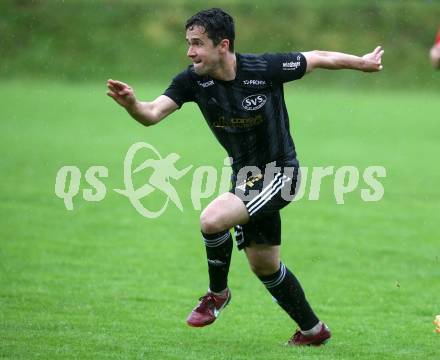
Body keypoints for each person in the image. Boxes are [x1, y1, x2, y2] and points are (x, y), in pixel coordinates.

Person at [107, 8, 384, 346]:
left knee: (212, 220)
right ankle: (313, 331)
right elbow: (151, 114)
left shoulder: (264, 69)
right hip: (247, 179)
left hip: (282, 174)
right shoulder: (191, 81)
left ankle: (217, 294)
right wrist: (132, 104)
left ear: (223, 45)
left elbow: (317, 57)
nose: (190, 52)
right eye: (188, 43)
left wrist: (362, 62)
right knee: (265, 266)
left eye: (198, 44)